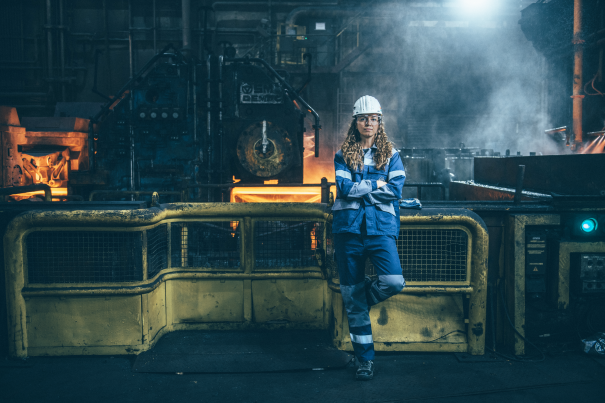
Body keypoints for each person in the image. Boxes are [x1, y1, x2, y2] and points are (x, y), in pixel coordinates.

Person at [332, 95, 406, 381]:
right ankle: (365, 361)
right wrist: (377, 183)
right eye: (363, 118)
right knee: (351, 299)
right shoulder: (342, 155)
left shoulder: (391, 155)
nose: (368, 123)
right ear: (356, 121)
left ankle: (360, 300)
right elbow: (343, 189)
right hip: (348, 231)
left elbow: (395, 190)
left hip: (380, 230)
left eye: (373, 118)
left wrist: (360, 187)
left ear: (379, 121)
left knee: (392, 281)